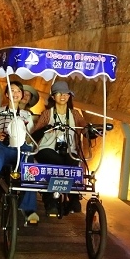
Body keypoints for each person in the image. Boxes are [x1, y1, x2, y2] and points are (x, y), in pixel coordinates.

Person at [0, 80, 39, 224]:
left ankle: (29, 208)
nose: (15, 94)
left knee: (30, 168)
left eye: (18, 91)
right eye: (12, 90)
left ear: (21, 95)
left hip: (21, 148)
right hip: (2, 146)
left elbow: (30, 137)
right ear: (6, 94)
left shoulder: (26, 115)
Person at [30, 80, 88, 216]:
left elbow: (84, 127)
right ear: (53, 96)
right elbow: (35, 135)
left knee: (73, 160)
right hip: (46, 149)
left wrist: (91, 131)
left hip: (68, 150)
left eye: (66, 94)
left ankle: (72, 199)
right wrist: (46, 128)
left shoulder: (75, 114)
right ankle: (51, 201)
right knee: (58, 162)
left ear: (69, 96)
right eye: (59, 93)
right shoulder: (47, 114)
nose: (63, 96)